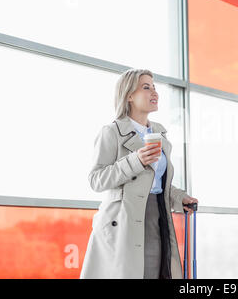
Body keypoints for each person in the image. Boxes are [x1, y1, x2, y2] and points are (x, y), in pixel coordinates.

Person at [81, 68, 198, 279]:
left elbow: (157, 182)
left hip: (157, 216)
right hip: (124, 221)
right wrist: (136, 160)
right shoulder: (112, 132)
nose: (155, 92)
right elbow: (96, 180)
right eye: (146, 87)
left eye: (154, 87)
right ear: (129, 96)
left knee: (157, 272)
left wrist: (180, 198)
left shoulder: (160, 134)